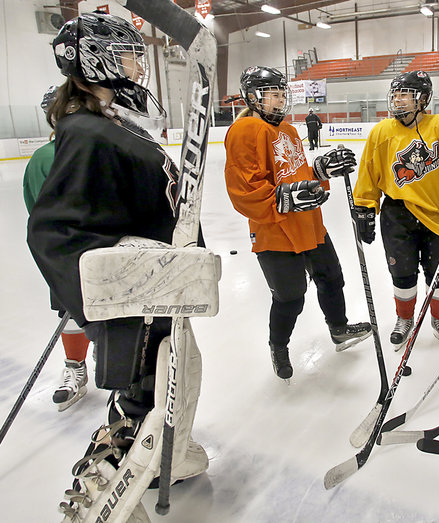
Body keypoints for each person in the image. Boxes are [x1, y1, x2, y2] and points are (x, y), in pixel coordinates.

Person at [27, 12, 208, 521]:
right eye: (128, 52)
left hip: (165, 285)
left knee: (185, 370)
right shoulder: (86, 132)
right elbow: (55, 230)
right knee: (146, 397)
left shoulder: (113, 123)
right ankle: (105, 491)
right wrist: (122, 282)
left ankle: (168, 458)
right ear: (96, 59)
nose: (137, 62)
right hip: (140, 298)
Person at [225, 66, 370, 381]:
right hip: (275, 231)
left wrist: (320, 170)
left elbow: (297, 174)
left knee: (331, 278)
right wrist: (285, 198)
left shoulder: (289, 131)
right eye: (272, 95)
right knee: (290, 297)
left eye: (281, 94)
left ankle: (339, 329)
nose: (279, 101)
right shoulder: (244, 130)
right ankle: (278, 347)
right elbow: (245, 190)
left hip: (310, 224)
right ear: (253, 97)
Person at [352, 70, 439, 350]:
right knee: (402, 275)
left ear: (424, 98)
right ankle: (404, 318)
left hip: (437, 215)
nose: (399, 100)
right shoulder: (381, 132)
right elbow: (368, 175)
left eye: (406, 94)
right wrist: (365, 208)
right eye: (396, 94)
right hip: (397, 215)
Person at [23, 85, 93, 411]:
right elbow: (38, 215)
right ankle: (75, 368)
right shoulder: (43, 159)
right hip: (67, 258)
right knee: (70, 317)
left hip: (112, 253)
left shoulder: (100, 149)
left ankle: (130, 373)